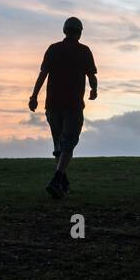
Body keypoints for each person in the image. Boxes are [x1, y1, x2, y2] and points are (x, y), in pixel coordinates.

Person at [29, 16, 97, 198]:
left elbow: (42, 75)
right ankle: (57, 179)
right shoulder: (84, 51)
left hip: (52, 104)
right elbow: (91, 75)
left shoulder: (53, 49)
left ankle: (62, 184)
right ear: (80, 32)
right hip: (73, 105)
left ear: (65, 31)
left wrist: (34, 96)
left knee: (60, 144)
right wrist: (94, 90)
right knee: (67, 143)